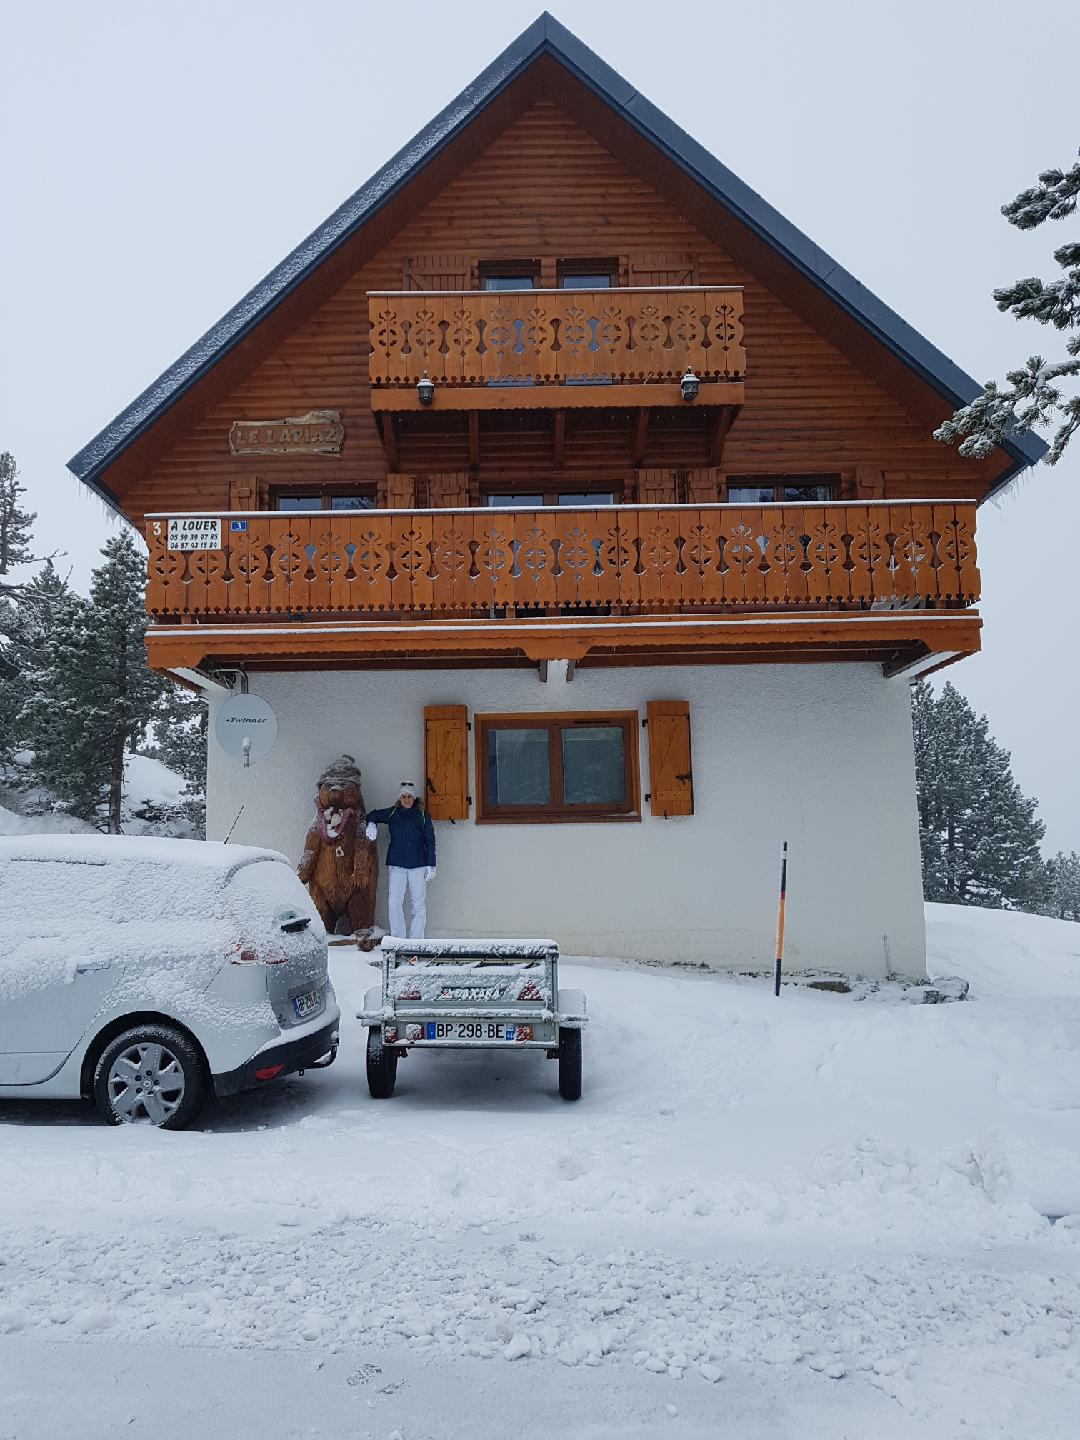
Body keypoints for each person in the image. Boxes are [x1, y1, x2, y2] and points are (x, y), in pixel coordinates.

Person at [365, 782, 436, 939]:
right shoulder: (393, 813)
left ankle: (416, 942)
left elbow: (430, 840)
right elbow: (373, 815)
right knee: (394, 902)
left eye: (409, 796)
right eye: (403, 796)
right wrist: (371, 824)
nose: (406, 800)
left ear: (414, 797)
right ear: (400, 798)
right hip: (397, 865)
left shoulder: (422, 815)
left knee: (418, 904)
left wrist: (431, 863)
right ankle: (398, 939)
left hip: (418, 864)